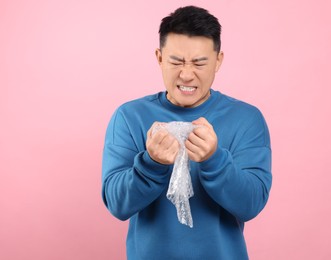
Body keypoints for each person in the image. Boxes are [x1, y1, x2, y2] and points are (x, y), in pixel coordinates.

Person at [102, 5, 272, 259]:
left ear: (218, 61)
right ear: (159, 58)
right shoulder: (129, 117)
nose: (187, 74)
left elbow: (251, 204)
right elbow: (117, 204)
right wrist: (151, 164)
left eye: (199, 63)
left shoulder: (246, 119)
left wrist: (214, 159)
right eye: (176, 61)